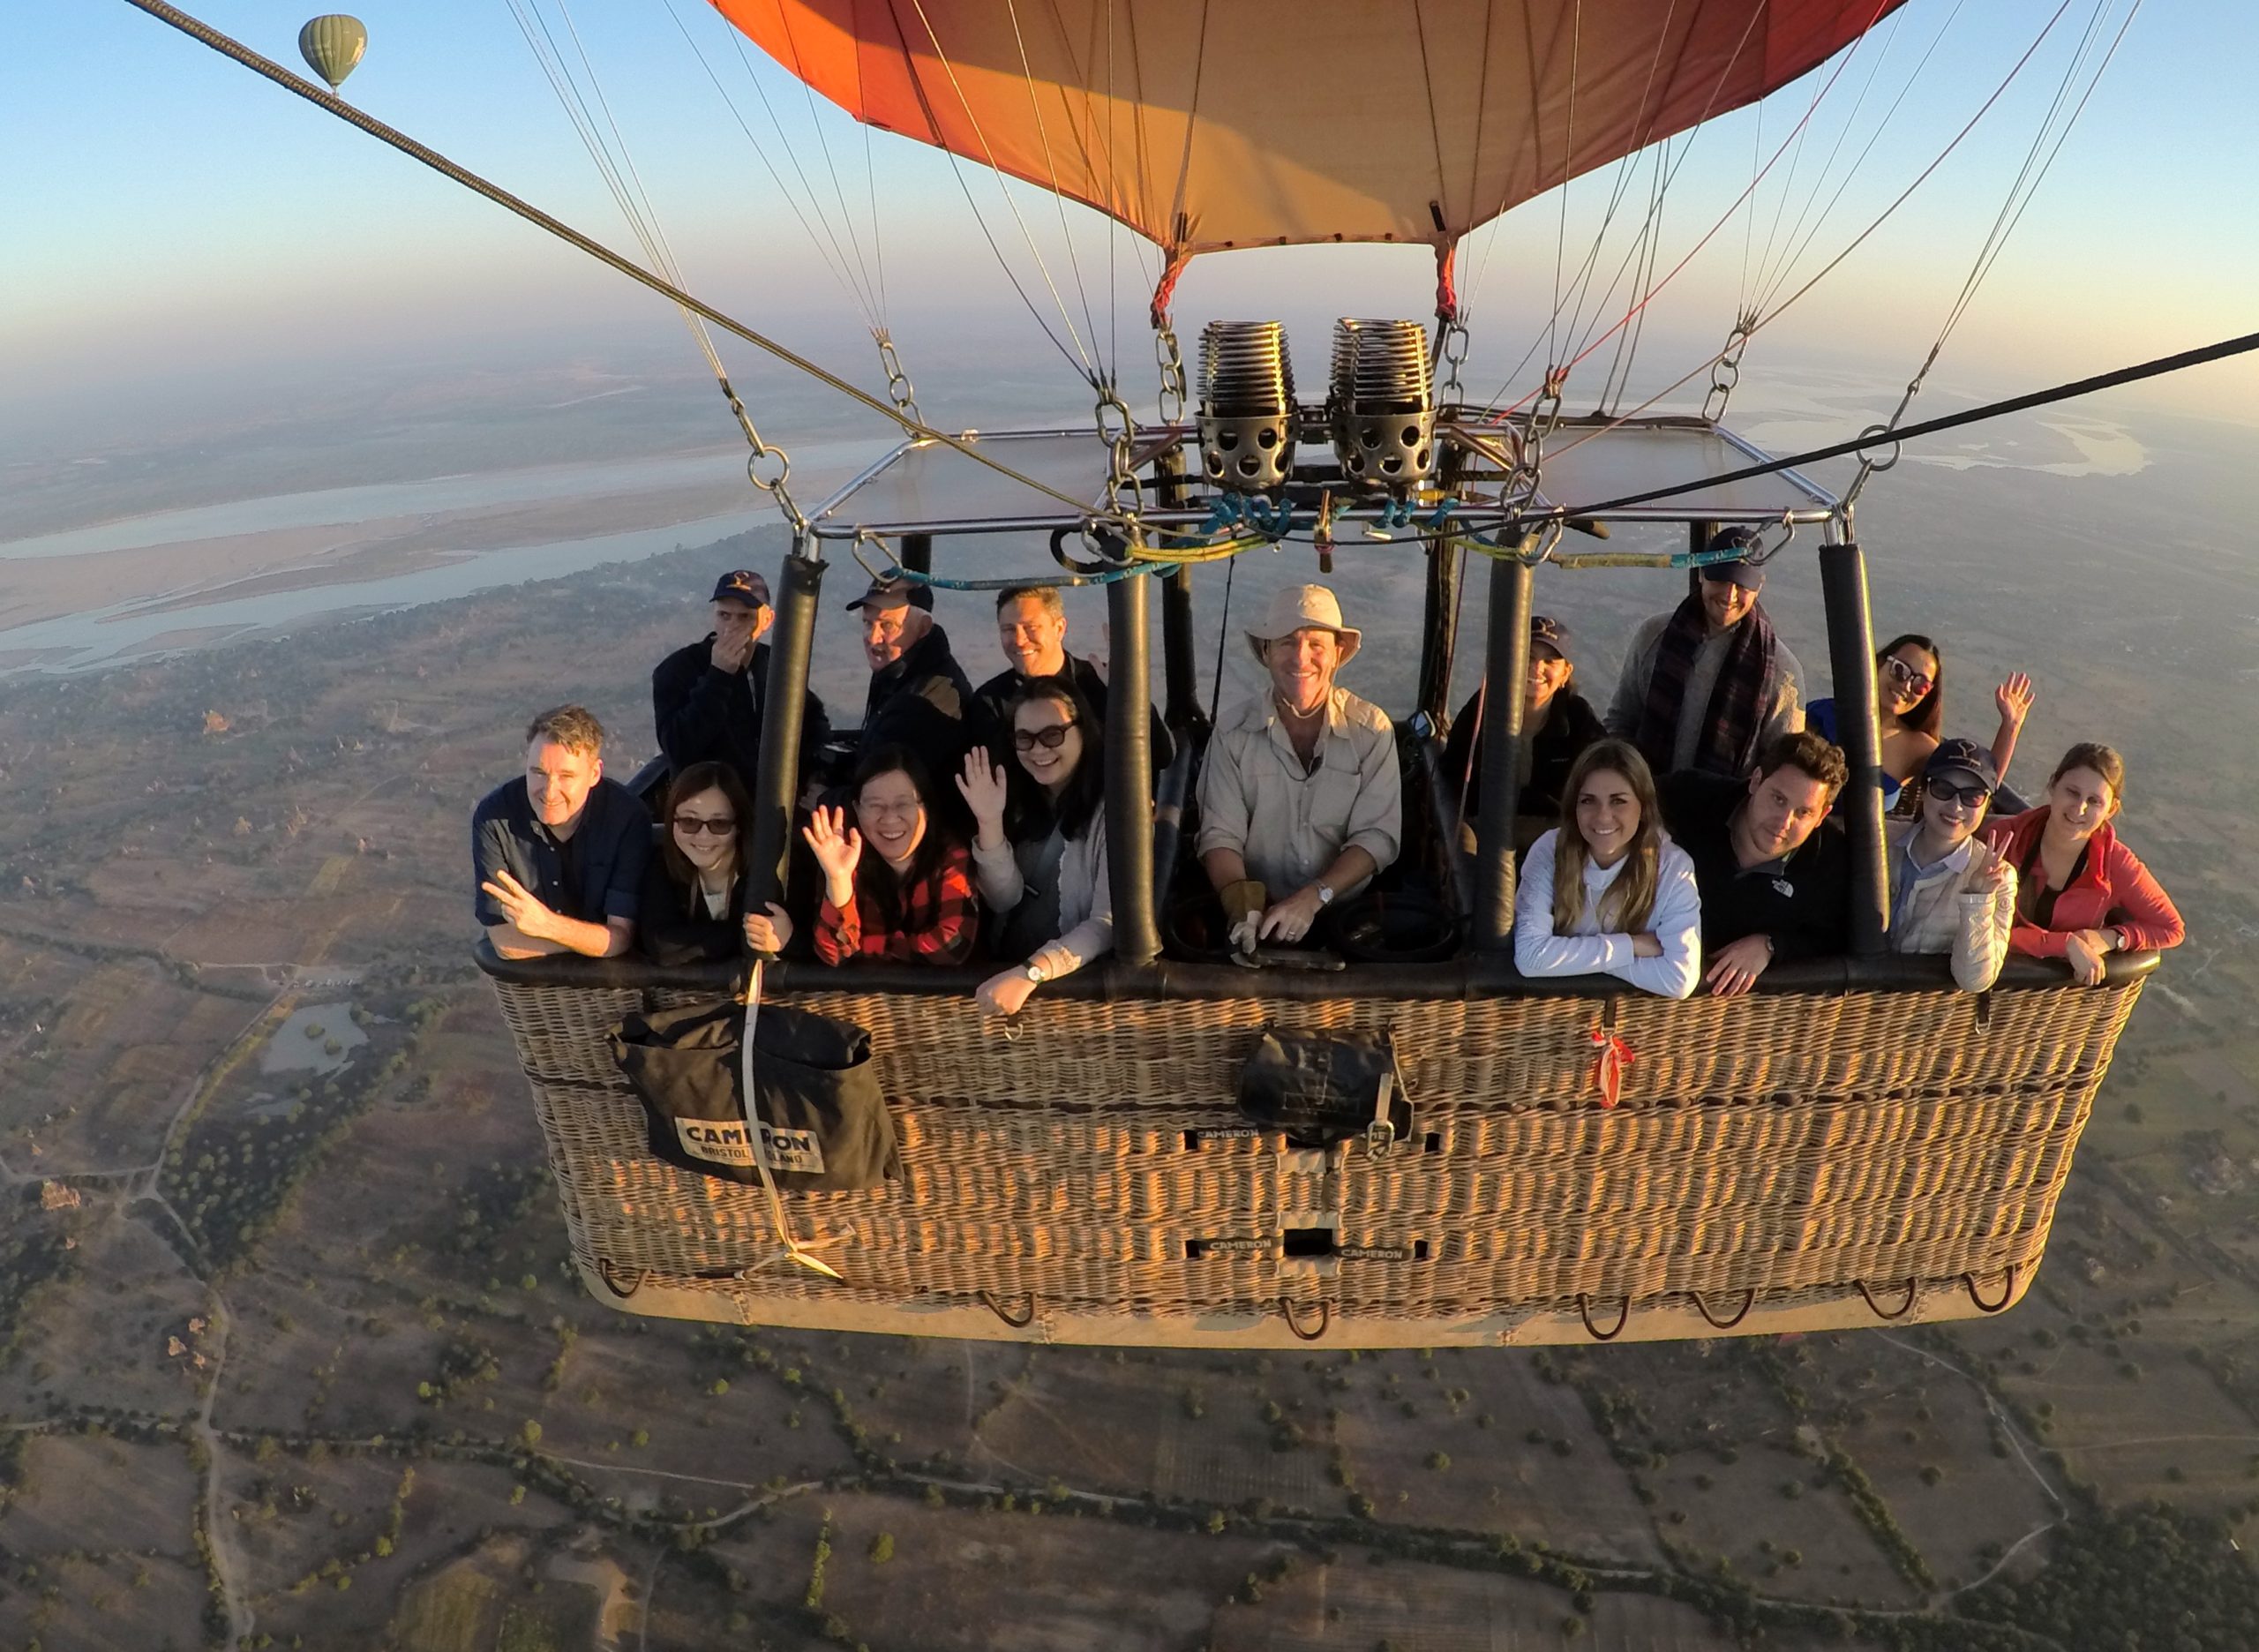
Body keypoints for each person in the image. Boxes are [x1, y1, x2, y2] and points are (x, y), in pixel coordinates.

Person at [1197, 584, 1402, 950]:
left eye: (1316, 645)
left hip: (1347, 912)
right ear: (1267, 651)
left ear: (1337, 655)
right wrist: (1244, 909)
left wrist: (1314, 897)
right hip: (1257, 910)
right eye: (1287, 642)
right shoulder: (1231, 733)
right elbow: (1220, 836)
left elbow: (1376, 837)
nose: (1301, 658)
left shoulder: (1372, 730)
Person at [957, 682, 1113, 1016]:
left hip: (1073, 991)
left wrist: (1032, 972)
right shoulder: (1013, 797)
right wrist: (989, 822)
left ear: (1082, 731)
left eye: (1053, 735)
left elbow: (1106, 923)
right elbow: (1005, 899)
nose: (1038, 750)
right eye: (1025, 739)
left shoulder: (1112, 811)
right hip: (1010, 976)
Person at [1658, 729, 1849, 995]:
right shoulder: (1690, 798)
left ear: (1822, 816)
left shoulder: (1832, 865)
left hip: (1739, 1016)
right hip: (1647, 979)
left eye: (1803, 812)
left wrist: (1773, 945)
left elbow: (1838, 939)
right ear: (1756, 780)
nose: (1784, 822)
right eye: (1778, 799)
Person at [1606, 528, 1805, 779]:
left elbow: (1783, 769)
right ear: (1701, 573)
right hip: (1644, 801)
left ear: (1759, 586)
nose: (1729, 595)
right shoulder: (1653, 635)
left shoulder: (1783, 672)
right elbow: (1620, 721)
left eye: (1741, 584)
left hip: (1728, 812)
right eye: (1720, 579)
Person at [1981, 742, 2184, 985]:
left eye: (2095, 801)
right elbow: (1965, 924)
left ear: (2111, 809)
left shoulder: (2115, 864)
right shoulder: (2003, 839)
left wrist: (2112, 938)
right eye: (2072, 792)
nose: (2080, 808)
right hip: (1984, 986)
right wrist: (2064, 944)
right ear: (2053, 785)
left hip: (2059, 1005)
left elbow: (2171, 928)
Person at [1513, 740, 1700, 998]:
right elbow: (1530, 957)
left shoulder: (1674, 868)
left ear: (1643, 806)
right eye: (1588, 801)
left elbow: (1680, 978)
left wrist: (1570, 959)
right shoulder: (1549, 850)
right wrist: (1631, 946)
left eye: (1618, 801)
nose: (1603, 816)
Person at [473, 705, 649, 959]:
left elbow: (620, 937)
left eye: (566, 776)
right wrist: (591, 944)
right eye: (538, 773)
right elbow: (505, 942)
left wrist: (547, 925)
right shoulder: (495, 819)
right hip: (534, 991)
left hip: (613, 990)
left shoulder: (626, 819)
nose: (549, 791)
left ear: (594, 774)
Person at [650, 568, 832, 799]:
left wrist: (815, 775)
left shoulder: (778, 665)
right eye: (724, 616)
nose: (732, 627)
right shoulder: (678, 669)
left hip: (770, 808)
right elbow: (678, 749)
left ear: (767, 620)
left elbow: (813, 722)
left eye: (745, 617)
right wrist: (718, 677)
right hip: (708, 814)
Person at [1804, 632, 2034, 812]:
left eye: (1920, 684)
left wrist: (2010, 726)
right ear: (1880, 663)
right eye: (1900, 671)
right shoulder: (1824, 714)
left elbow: (1979, 784)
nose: (1905, 686)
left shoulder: (1917, 747)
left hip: (1852, 860)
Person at [969, 583, 1172, 773]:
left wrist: (1130, 695)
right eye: (1009, 629)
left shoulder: (1100, 685)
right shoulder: (989, 702)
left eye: (1031, 627)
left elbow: (1162, 756)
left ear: (1059, 629)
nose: (1020, 640)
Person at [1442, 612, 1607, 845]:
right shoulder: (1483, 709)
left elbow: (1607, 773)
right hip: (1486, 832)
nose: (1537, 668)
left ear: (1565, 674)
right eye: (1528, 656)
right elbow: (1450, 773)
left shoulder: (1577, 718)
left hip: (1555, 836)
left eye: (1550, 661)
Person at [805, 746, 979, 965]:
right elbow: (832, 952)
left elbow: (951, 945)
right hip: (861, 999)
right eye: (875, 806)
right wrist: (838, 880)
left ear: (925, 809)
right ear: (857, 811)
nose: (889, 818)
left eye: (903, 804)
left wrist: (860, 949)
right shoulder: (841, 856)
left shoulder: (950, 856)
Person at [1883, 738, 2017, 992]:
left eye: (1972, 797)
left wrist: (1978, 899)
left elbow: (1976, 980)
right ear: (1923, 790)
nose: (1956, 806)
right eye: (1944, 789)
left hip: (1915, 1016)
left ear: (1987, 804)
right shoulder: (1881, 842)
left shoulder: (1999, 878)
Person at [635, 761, 799, 965]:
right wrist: (742, 935)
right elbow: (663, 945)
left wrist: (789, 940)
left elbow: (815, 944)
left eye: (719, 824)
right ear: (671, 822)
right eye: (690, 822)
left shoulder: (771, 873)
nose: (703, 835)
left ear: (739, 826)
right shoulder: (661, 866)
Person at [850, 577, 975, 772]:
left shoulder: (926, 700)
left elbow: (887, 787)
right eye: (868, 623)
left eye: (887, 625)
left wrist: (825, 796)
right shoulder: (895, 675)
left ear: (924, 627)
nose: (873, 638)